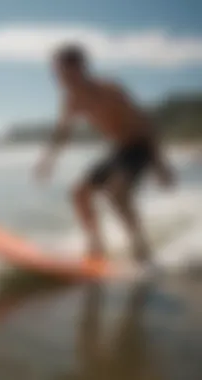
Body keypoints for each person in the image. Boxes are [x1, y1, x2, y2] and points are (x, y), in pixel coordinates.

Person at [35, 44, 174, 264]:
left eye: (64, 72)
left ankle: (140, 245)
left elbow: (145, 123)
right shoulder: (72, 100)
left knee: (116, 192)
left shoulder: (110, 91)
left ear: (81, 69)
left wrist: (161, 165)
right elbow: (62, 133)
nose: (60, 79)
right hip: (119, 149)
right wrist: (47, 161)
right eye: (57, 73)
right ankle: (96, 244)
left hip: (141, 146)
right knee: (79, 193)